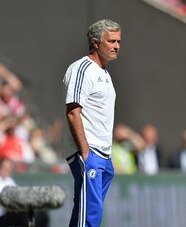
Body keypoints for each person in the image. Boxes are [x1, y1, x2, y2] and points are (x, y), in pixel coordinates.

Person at [63, 19, 121, 227]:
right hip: (89, 151)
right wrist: (85, 152)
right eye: (111, 41)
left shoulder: (104, 73)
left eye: (118, 42)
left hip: (103, 153)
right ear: (96, 42)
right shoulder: (82, 69)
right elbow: (73, 111)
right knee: (90, 214)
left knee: (85, 210)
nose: (116, 46)